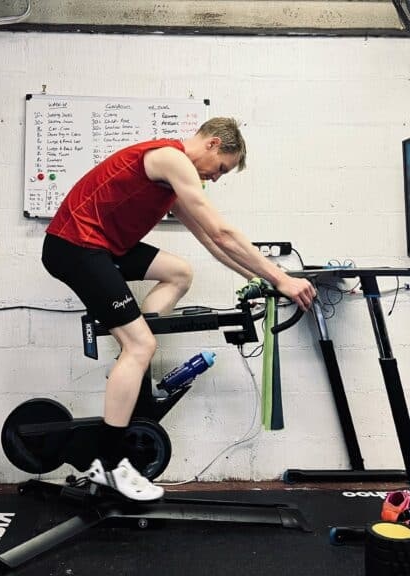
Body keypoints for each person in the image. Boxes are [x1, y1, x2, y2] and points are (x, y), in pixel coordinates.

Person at [41, 117, 316, 501]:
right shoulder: (171, 159)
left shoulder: (173, 184)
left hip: (99, 246)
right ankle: (108, 464)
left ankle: (133, 358)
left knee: (179, 272)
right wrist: (283, 278)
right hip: (75, 245)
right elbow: (223, 232)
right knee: (140, 346)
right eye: (221, 169)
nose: (217, 179)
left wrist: (268, 279)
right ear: (214, 144)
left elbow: (212, 243)